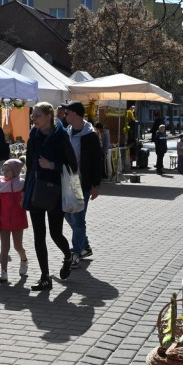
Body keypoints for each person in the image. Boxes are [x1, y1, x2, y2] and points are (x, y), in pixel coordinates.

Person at [23, 103, 77, 291]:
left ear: (49, 116)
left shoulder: (61, 137)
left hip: (56, 192)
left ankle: (68, 256)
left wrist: (51, 165)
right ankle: (45, 277)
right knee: (39, 236)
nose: (34, 118)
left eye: (37, 115)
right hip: (36, 190)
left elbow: (73, 166)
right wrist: (25, 190)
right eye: (33, 115)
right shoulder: (33, 137)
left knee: (55, 233)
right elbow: (30, 166)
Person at [62, 101, 104, 267]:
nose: (64, 115)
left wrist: (95, 185)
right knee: (67, 214)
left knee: (78, 219)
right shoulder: (67, 132)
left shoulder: (90, 135)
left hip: (81, 183)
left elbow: (97, 161)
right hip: (68, 182)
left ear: (75, 114)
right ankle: (84, 245)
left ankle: (76, 253)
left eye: (67, 113)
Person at [0, 158, 29, 283]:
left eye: (8, 170)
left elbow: (26, 203)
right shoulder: (0, 185)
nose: (5, 173)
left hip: (18, 221)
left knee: (18, 246)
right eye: (4, 170)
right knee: (4, 247)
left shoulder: (22, 185)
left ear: (15, 172)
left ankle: (24, 259)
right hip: (4, 222)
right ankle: (3, 271)